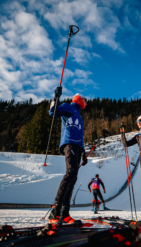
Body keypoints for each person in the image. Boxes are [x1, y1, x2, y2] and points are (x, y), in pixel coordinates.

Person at [48, 86, 88, 224]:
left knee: (74, 176)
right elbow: (52, 112)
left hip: (77, 146)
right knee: (70, 172)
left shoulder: (79, 116)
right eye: (85, 100)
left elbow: (81, 136)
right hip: (69, 143)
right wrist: (55, 98)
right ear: (80, 99)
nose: (86, 103)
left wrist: (83, 152)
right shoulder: (68, 107)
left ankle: (65, 212)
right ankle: (56, 209)